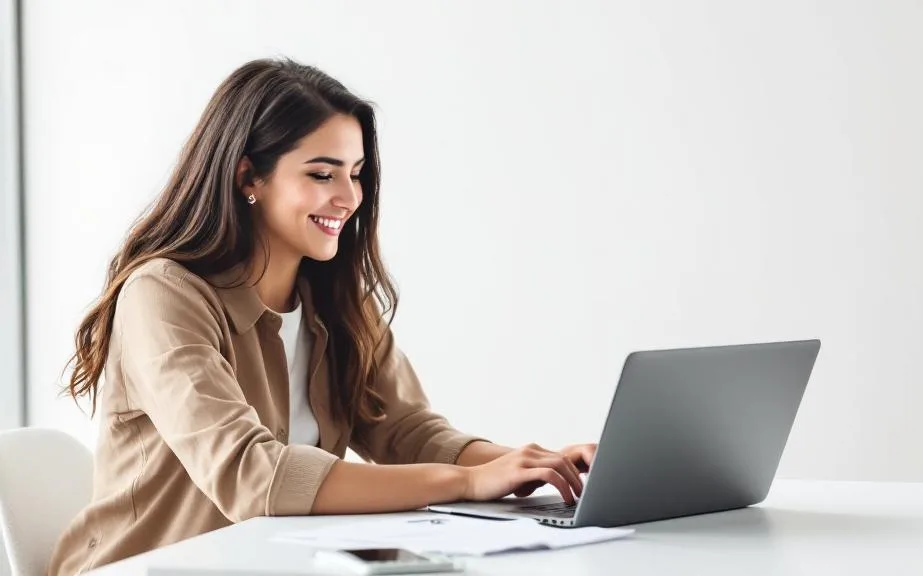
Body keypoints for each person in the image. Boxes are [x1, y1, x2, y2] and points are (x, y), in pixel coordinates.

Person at [47, 57, 595, 576]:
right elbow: (251, 477)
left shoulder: (333, 301)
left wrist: (537, 464)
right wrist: (468, 481)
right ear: (248, 178)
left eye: (355, 174)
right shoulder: (164, 295)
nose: (348, 197)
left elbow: (407, 431)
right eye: (321, 174)